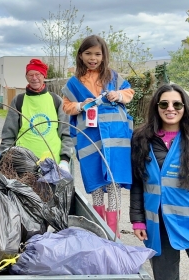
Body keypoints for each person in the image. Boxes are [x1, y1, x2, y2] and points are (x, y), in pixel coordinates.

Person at [130, 84, 189, 280]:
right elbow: (138, 182)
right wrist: (138, 220)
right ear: (156, 107)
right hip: (159, 224)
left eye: (177, 104)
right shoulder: (142, 139)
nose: (170, 108)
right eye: (164, 103)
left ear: (185, 107)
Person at [61, 35, 134, 237]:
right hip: (90, 143)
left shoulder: (112, 77)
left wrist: (118, 95)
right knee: (96, 187)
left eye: (97, 54)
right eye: (88, 53)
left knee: (113, 185)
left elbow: (129, 92)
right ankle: (100, 231)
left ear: (103, 56)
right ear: (81, 55)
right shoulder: (74, 83)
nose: (93, 58)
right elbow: (67, 107)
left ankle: (113, 233)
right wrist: (81, 105)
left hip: (114, 143)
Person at [0, 58, 74, 172]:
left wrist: (65, 160)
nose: (34, 78)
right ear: (26, 77)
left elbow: (67, 134)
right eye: (30, 75)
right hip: (23, 163)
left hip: (54, 163)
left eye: (38, 74)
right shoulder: (18, 101)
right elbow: (8, 135)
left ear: (44, 76)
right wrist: (2, 157)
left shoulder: (56, 100)